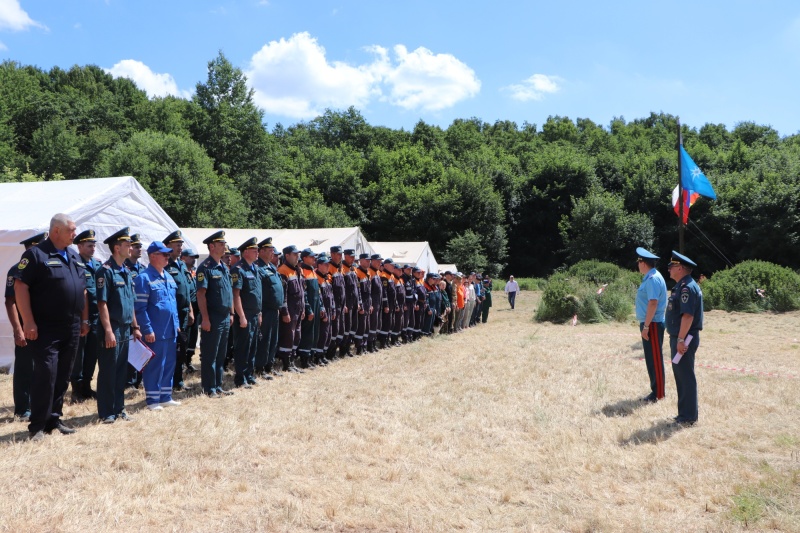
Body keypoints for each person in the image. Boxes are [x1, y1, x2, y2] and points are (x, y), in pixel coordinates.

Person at [14, 213, 90, 441]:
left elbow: (83, 290)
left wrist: (84, 320)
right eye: (72, 230)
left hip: (72, 326)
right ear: (56, 231)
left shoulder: (74, 256)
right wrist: (27, 321)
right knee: (46, 374)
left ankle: (53, 419)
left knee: (63, 375)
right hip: (46, 328)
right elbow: (20, 287)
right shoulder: (36, 255)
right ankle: (37, 425)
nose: (75, 234)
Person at [96, 228, 141, 423]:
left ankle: (119, 408)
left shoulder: (126, 271)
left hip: (125, 328)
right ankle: (107, 412)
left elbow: (130, 302)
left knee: (121, 370)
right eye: (127, 244)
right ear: (117, 248)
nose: (131, 247)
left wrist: (135, 326)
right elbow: (102, 303)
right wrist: (107, 331)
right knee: (108, 370)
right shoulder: (105, 271)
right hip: (112, 328)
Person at [4, 231, 47, 421]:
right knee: (24, 368)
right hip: (25, 327)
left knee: (43, 367)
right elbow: (10, 301)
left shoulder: (44, 268)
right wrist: (18, 330)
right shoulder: (16, 270)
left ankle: (40, 405)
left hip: (44, 327)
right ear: (32, 247)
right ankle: (22, 409)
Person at [135, 242, 180, 410]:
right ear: (153, 256)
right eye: (164, 254)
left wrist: (176, 324)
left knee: (169, 363)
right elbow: (140, 308)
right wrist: (147, 329)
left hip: (170, 329)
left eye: (168, 254)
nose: (168, 257)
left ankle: (165, 396)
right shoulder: (144, 278)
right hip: (155, 330)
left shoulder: (168, 276)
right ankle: (153, 400)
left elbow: (172, 303)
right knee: (155, 365)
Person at [666, 251, 703, 426]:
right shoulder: (683, 285)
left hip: (684, 338)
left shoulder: (687, 287)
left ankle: (688, 417)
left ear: (679, 268)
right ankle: (684, 414)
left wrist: (680, 340)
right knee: (681, 376)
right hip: (681, 337)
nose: (668, 269)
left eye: (671, 266)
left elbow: (687, 316)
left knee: (685, 376)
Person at [196, 231, 235, 397]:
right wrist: (205, 318)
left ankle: (218, 385)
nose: (224, 247)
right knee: (210, 354)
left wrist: (232, 313)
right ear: (211, 247)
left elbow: (229, 292)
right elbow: (201, 294)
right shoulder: (205, 268)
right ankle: (209, 388)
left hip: (225, 316)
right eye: (221, 244)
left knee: (221, 354)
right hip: (212, 317)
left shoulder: (224, 267)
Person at [70, 229, 101, 401]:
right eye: (89, 245)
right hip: (81, 317)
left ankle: (87, 387)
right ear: (80, 246)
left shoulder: (97, 265)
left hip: (96, 316)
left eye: (94, 245)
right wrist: (84, 319)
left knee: (92, 353)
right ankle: (76, 389)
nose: (93, 248)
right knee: (78, 354)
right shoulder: (75, 264)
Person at [635, 247, 667, 404]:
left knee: (654, 359)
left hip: (652, 324)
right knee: (651, 358)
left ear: (643, 263)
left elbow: (653, 303)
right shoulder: (651, 277)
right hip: (651, 323)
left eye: (638, 261)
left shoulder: (652, 278)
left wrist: (646, 326)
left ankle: (659, 393)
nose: (637, 264)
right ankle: (656, 390)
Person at [163, 230, 194, 392]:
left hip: (183, 313)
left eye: (181, 244)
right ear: (168, 246)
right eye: (177, 244)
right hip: (171, 314)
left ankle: (178, 380)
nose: (180, 247)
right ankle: (169, 381)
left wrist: (190, 311)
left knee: (182, 347)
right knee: (172, 349)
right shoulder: (165, 265)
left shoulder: (181, 265)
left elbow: (187, 290)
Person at [231, 237, 263, 387]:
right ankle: (240, 378)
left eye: (257, 250)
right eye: (254, 250)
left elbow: (257, 293)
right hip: (245, 315)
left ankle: (249, 374)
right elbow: (235, 294)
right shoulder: (238, 269)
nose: (257, 252)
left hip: (255, 314)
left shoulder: (254, 268)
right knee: (243, 346)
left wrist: (260, 313)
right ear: (245, 252)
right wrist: (242, 316)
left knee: (253, 346)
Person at [255, 238, 283, 379]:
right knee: (264, 339)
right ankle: (260, 367)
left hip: (274, 309)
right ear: (261, 252)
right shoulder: (259, 268)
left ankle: (269, 365)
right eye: (270, 250)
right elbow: (259, 292)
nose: (273, 252)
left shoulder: (271, 267)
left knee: (273, 339)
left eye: (273, 250)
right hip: (265, 310)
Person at [277, 245, 306, 372]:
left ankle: (292, 360)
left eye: (297, 254)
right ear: (287, 256)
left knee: (297, 336)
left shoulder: (297, 270)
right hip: (290, 310)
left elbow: (302, 291)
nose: (297, 257)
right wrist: (285, 312)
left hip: (298, 309)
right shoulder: (282, 271)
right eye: (294, 255)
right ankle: (286, 363)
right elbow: (283, 295)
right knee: (288, 336)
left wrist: (303, 308)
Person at [125, 234, 146, 389]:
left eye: (140, 247)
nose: (139, 249)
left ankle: (139, 379)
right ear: (129, 248)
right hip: (129, 315)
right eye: (136, 246)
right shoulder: (124, 268)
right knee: (130, 349)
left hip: (141, 314)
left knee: (141, 348)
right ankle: (129, 381)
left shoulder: (143, 268)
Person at [297, 248, 320, 369]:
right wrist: (308, 309)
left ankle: (311, 356)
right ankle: (304, 360)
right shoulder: (302, 271)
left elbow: (318, 291)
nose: (314, 259)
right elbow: (304, 292)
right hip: (309, 306)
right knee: (307, 333)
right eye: (311, 257)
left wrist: (321, 307)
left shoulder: (312, 271)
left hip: (316, 305)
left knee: (315, 333)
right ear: (304, 258)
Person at [180, 248, 200, 374]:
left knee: (193, 336)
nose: (193, 260)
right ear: (184, 258)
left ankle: (188, 360)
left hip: (196, 309)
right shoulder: (182, 272)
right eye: (191, 257)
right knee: (185, 337)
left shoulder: (193, 272)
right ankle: (181, 362)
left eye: (194, 257)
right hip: (187, 308)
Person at [314, 253, 336, 365]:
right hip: (322, 312)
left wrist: (333, 309)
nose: (328, 267)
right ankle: (318, 356)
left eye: (328, 265)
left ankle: (323, 354)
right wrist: (323, 311)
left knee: (328, 334)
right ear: (319, 265)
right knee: (322, 334)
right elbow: (319, 297)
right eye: (325, 265)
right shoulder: (316, 278)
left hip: (329, 310)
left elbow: (331, 296)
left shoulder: (326, 278)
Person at [341, 249, 363, 356]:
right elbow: (342, 289)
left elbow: (357, 286)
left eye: (354, 257)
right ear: (345, 256)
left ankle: (348, 347)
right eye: (351, 256)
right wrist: (344, 303)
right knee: (347, 326)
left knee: (354, 326)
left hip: (354, 302)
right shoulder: (342, 269)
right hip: (347, 302)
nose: (353, 258)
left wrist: (359, 301)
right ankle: (343, 349)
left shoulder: (354, 269)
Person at [328, 246, 347, 359]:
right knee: (333, 330)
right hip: (334, 304)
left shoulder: (340, 268)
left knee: (340, 329)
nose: (340, 256)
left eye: (341, 254)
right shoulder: (329, 267)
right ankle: (330, 353)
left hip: (341, 304)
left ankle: (336, 351)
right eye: (338, 254)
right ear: (332, 254)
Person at [355, 253, 373, 354]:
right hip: (362, 303)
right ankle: (359, 347)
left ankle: (365, 345)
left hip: (367, 303)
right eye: (366, 260)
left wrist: (370, 304)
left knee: (367, 326)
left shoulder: (368, 273)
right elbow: (358, 291)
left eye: (369, 260)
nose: (368, 262)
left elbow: (369, 291)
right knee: (361, 326)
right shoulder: (358, 273)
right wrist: (360, 304)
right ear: (360, 261)